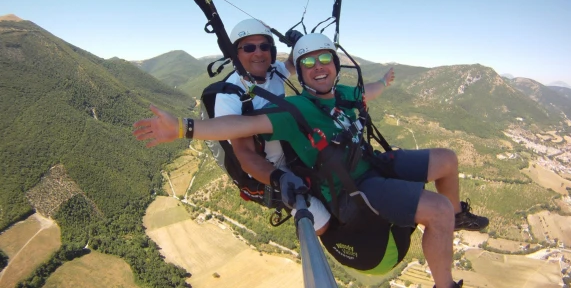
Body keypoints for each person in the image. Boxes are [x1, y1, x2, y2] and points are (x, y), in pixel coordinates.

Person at [134, 33, 488, 288]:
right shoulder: (296, 111)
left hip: (372, 162)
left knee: (447, 160)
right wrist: (183, 127)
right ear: (300, 75)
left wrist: (384, 80)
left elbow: (369, 93)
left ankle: (457, 218)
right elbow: (242, 124)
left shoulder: (345, 95)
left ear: (335, 66)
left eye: (324, 61)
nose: (318, 68)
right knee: (436, 209)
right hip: (357, 186)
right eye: (308, 64)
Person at [211, 18, 331, 234]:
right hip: (276, 169)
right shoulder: (230, 96)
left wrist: (299, 44)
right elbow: (245, 154)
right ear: (235, 54)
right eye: (249, 47)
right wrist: (279, 178)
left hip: (297, 150)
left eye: (264, 46)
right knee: (322, 225)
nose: (258, 53)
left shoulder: (273, 72)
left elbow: (296, 64)